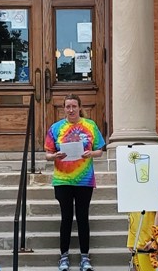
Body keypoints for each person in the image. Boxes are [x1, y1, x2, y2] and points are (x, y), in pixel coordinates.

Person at [44, 94, 105, 271]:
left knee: (83, 217)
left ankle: (85, 257)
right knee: (66, 218)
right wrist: (54, 156)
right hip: (63, 180)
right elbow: (47, 154)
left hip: (84, 180)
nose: (71, 110)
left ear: (79, 107)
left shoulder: (90, 125)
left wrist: (90, 154)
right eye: (68, 106)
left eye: (74, 106)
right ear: (64, 108)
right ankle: (64, 256)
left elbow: (100, 150)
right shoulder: (56, 128)